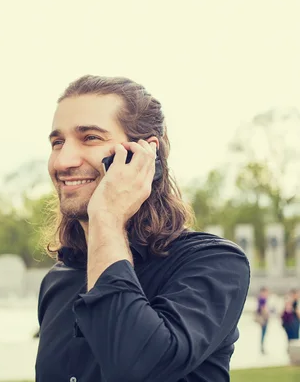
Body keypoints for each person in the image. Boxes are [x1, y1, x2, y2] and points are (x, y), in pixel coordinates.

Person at [34, 75, 250, 382]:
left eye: (90, 138)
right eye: (57, 143)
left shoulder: (214, 263)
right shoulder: (58, 280)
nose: (63, 160)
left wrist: (106, 218)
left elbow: (135, 369)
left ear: (144, 154)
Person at [254, 286, 269, 354]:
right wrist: (266, 315)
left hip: (261, 317)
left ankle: (262, 346)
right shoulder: (263, 299)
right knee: (263, 333)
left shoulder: (259, 298)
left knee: (263, 333)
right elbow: (263, 309)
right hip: (263, 318)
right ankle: (262, 347)